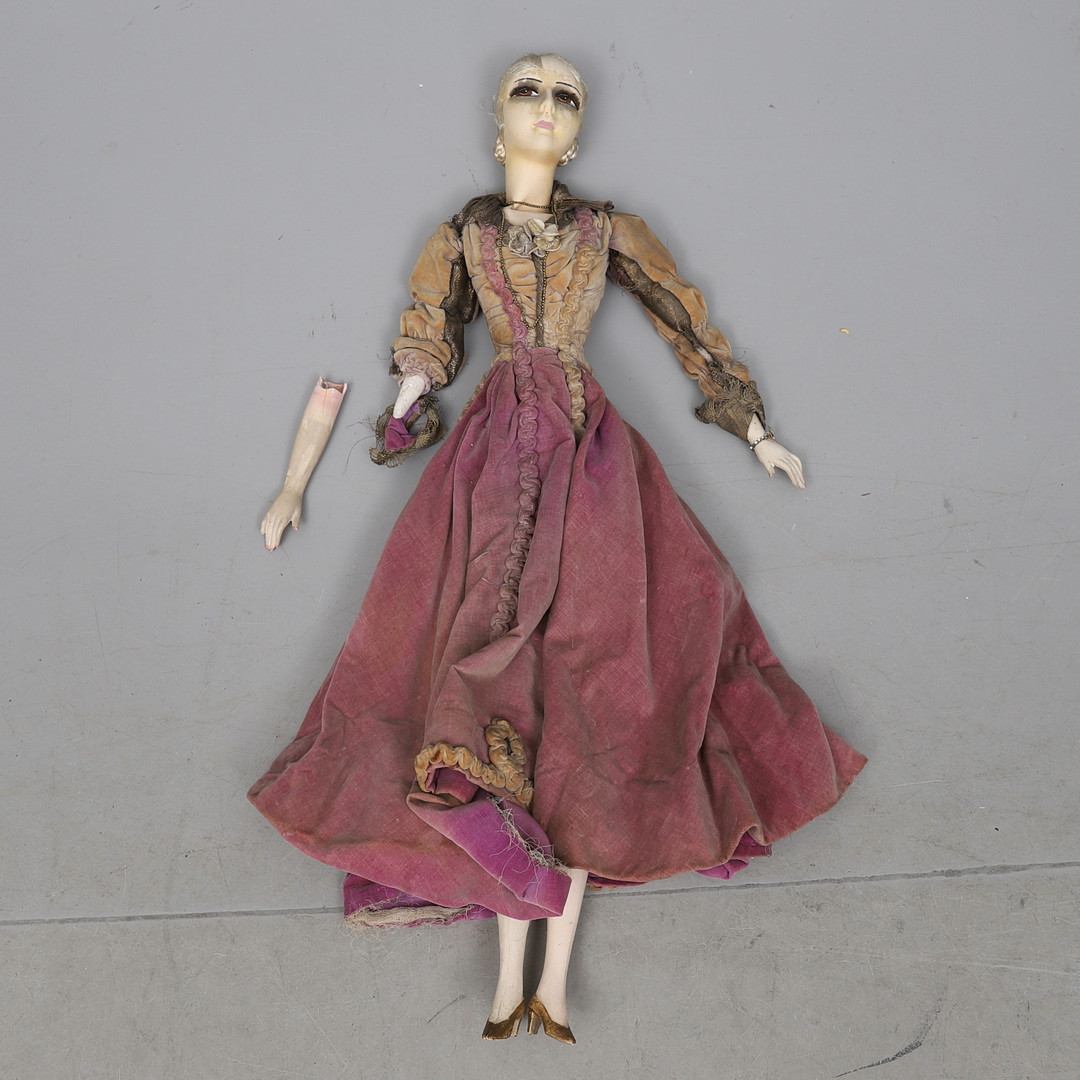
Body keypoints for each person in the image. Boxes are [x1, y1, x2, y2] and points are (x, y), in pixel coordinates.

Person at [251, 53, 865, 1045]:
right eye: (527, 92)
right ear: (498, 126)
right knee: (477, 662)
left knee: (597, 683)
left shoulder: (605, 229)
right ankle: (512, 985)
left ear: (575, 139)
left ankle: (552, 987)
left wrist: (754, 430)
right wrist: (396, 417)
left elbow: (683, 319)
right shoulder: (467, 233)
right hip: (496, 449)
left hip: (589, 449)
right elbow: (429, 331)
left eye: (564, 96)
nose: (546, 106)